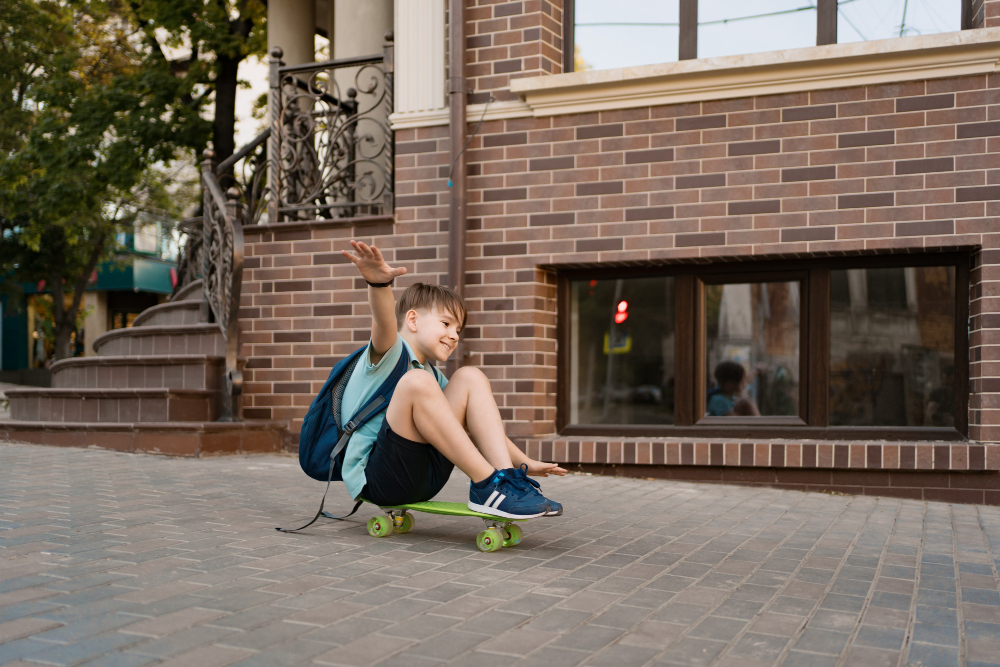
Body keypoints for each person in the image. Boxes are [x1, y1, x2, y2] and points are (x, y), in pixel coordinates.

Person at [339, 240, 565, 519]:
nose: (455, 335)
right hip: (380, 481)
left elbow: (480, 426)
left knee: (470, 376)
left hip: (426, 479)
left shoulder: (434, 379)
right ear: (412, 320)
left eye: (459, 329)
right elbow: (384, 321)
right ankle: (488, 485)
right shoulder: (387, 355)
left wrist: (524, 463)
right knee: (417, 382)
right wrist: (378, 284)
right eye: (446, 324)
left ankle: (506, 481)